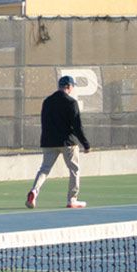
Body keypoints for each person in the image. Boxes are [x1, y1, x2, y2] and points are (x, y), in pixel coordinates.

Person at [28, 74, 90, 209]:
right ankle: (72, 199)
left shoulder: (47, 101)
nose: (72, 89)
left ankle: (34, 191)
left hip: (49, 142)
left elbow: (44, 122)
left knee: (44, 169)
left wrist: (46, 139)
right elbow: (77, 126)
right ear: (68, 86)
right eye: (72, 86)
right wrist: (85, 144)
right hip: (68, 143)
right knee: (74, 170)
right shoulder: (71, 102)